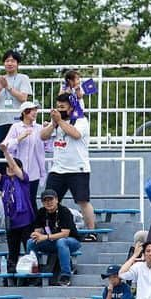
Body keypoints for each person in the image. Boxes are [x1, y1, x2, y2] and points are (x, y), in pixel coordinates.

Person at [40, 93, 97, 239]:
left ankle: (91, 231)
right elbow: (43, 136)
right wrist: (53, 124)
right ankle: (50, 229)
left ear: (71, 108)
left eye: (63, 107)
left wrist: (60, 122)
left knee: (82, 200)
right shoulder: (57, 123)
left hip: (78, 168)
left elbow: (75, 134)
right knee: (49, 199)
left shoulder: (81, 120)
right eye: (58, 106)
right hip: (58, 168)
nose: (59, 109)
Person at [0, 145, 35, 275]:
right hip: (11, 222)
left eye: (13, 167)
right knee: (12, 252)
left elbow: (15, 168)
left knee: (29, 250)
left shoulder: (24, 180)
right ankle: (11, 275)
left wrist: (6, 152)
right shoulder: (4, 181)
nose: (10, 169)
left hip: (25, 221)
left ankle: (31, 274)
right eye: (7, 167)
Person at [0, 50, 32, 174]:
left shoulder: (23, 78)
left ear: (18, 63)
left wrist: (8, 87)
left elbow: (23, 98)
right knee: (1, 152)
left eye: (12, 61)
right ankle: (1, 187)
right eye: (7, 61)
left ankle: (21, 181)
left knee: (19, 152)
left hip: (18, 121)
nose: (9, 63)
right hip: (2, 121)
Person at [27, 189, 81, 286]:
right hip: (52, 241)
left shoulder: (64, 211)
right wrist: (36, 234)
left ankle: (65, 275)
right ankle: (34, 272)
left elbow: (65, 234)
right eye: (45, 200)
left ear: (56, 200)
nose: (48, 203)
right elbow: (38, 229)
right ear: (42, 202)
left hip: (71, 241)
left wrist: (45, 237)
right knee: (31, 242)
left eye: (51, 199)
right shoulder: (41, 212)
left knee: (61, 242)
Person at [2, 101, 47, 206]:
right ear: (24, 112)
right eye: (32, 110)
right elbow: (6, 146)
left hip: (33, 171)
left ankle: (33, 222)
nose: (35, 112)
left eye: (36, 110)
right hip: (18, 171)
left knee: (31, 200)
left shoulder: (39, 128)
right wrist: (19, 138)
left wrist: (49, 130)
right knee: (18, 199)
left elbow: (47, 146)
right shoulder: (16, 127)